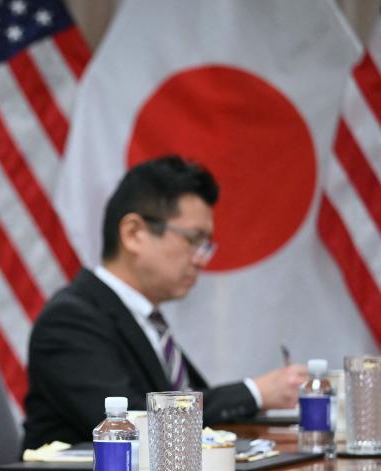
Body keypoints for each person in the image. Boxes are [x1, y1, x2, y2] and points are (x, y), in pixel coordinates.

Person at [24, 155, 306, 448]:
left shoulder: (147, 321)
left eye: (206, 245)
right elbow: (129, 425)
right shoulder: (70, 320)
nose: (201, 259)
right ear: (133, 234)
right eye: (193, 240)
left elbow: (195, 416)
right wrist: (254, 392)